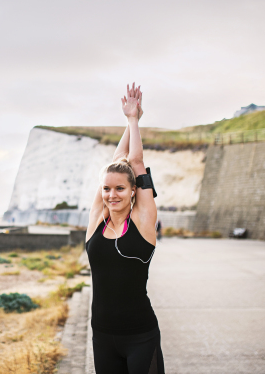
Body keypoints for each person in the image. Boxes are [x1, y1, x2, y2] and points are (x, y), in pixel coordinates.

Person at [85, 83, 164, 374]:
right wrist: (128, 127)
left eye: (120, 188)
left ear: (133, 191)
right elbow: (115, 165)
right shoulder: (96, 221)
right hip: (102, 336)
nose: (111, 194)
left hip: (141, 336)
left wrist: (133, 120)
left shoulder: (143, 223)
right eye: (107, 189)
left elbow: (135, 161)